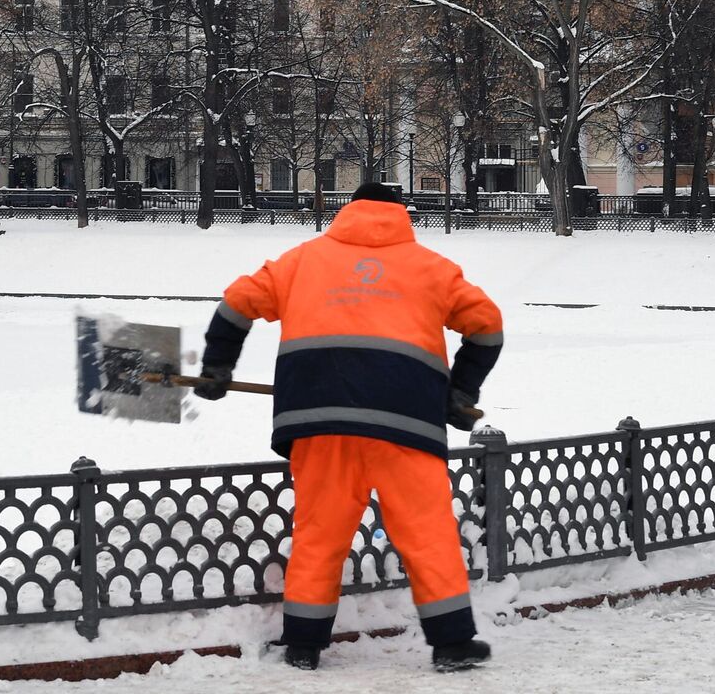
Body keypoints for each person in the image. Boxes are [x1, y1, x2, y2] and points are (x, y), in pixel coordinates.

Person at [193, 180, 502, 673]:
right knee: (428, 534)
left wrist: (216, 367)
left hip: (320, 420)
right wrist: (461, 392)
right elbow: (487, 325)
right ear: (403, 216)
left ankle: (303, 644)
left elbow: (237, 302)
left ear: (347, 211)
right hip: (405, 424)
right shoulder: (434, 270)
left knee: (319, 533)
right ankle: (453, 643)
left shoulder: (302, 261)